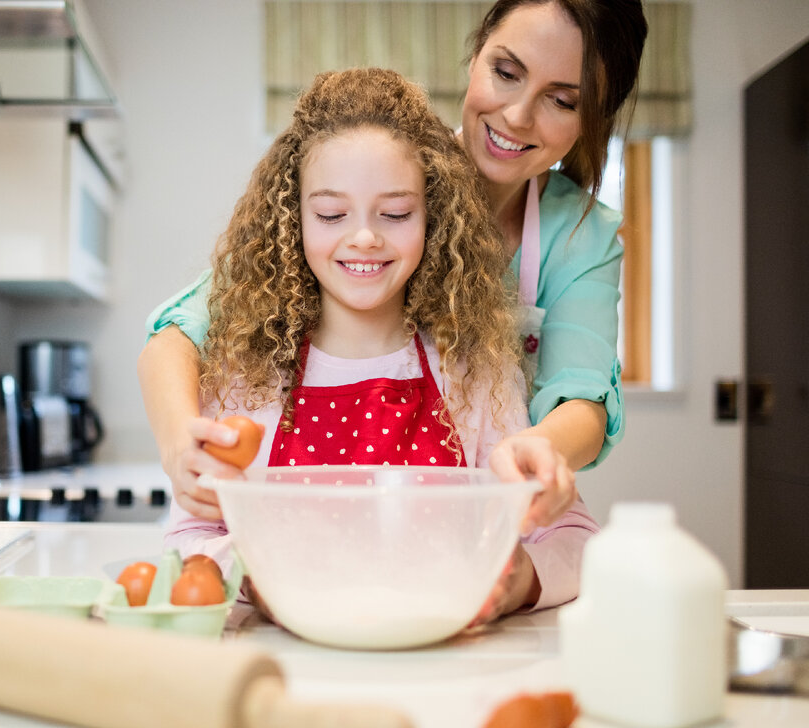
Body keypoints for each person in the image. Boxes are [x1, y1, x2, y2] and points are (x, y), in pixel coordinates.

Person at [139, 0, 648, 536]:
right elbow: (180, 331)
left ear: (594, 118)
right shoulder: (388, 165)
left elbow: (582, 397)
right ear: (475, 56)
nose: (518, 116)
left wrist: (536, 449)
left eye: (562, 101)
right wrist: (181, 449)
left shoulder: (580, 236)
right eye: (506, 72)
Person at [164, 68, 598, 622]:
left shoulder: (473, 376)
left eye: (395, 214)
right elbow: (189, 539)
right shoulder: (246, 376)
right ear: (293, 218)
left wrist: (519, 582)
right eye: (330, 214)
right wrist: (257, 578)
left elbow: (577, 537)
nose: (365, 236)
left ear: (433, 220)